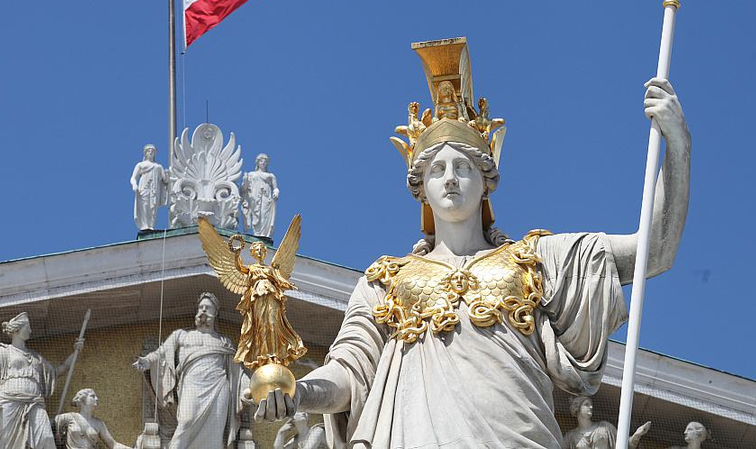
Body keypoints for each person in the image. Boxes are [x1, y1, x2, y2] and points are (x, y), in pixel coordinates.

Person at [252, 43, 691, 449]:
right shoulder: (384, 282)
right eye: (438, 168)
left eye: (463, 166)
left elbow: (654, 251)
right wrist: (298, 392)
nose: (450, 177)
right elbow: (351, 372)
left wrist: (677, 143)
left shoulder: (536, 260)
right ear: (420, 188)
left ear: (487, 182)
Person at [132, 292, 250, 449]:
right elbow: (161, 353)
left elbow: (238, 372)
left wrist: (252, 388)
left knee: (215, 433)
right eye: (200, 308)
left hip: (219, 388)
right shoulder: (182, 336)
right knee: (186, 421)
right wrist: (147, 361)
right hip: (191, 385)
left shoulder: (224, 342)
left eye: (207, 308)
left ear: (215, 313)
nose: (202, 311)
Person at [0, 312, 84, 449]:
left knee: (46, 437)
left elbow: (58, 370)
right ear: (17, 329)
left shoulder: (36, 358)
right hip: (10, 401)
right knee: (7, 443)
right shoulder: (4, 352)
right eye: (28, 327)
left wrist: (76, 353)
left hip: (35, 402)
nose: (31, 330)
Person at [561, 396, 650, 449]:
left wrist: (637, 435)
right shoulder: (571, 436)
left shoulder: (605, 427)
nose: (591, 407)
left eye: (591, 404)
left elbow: (626, 444)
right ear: (577, 409)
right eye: (586, 404)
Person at [53, 388, 131, 449]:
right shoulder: (68, 418)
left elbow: (113, 444)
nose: (96, 398)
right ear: (82, 400)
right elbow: (49, 426)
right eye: (92, 396)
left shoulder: (98, 423)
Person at [130, 144, 168, 231]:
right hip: (144, 186)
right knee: (144, 205)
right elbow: (133, 177)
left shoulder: (158, 167)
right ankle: (144, 225)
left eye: (152, 151)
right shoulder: (141, 165)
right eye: (148, 151)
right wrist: (134, 185)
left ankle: (151, 225)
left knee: (153, 207)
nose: (150, 153)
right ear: (145, 153)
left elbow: (165, 180)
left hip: (154, 189)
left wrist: (167, 174)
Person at [241, 154, 280, 238]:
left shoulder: (271, 176)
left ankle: (263, 235)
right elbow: (244, 189)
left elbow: (275, 188)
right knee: (256, 215)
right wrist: (245, 181)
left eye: (265, 161)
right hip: (254, 197)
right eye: (261, 161)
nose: (263, 163)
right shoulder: (251, 174)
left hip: (265, 197)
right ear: (257, 162)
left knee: (264, 215)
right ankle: (256, 233)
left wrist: (276, 192)